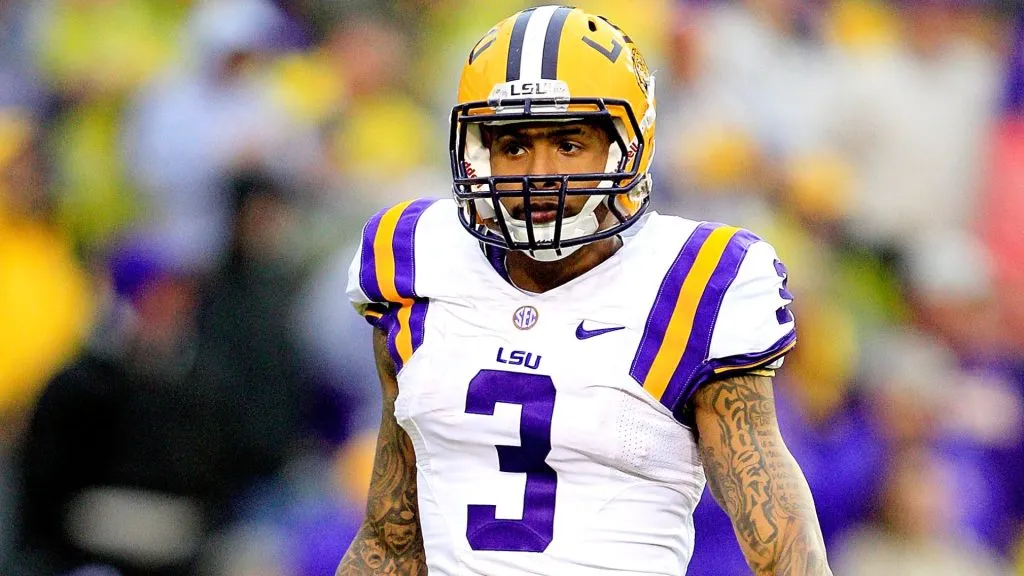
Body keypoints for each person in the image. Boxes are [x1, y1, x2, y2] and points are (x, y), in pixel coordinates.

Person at [336, 6, 831, 575]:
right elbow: (391, 539)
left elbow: (783, 550)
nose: (539, 172)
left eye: (569, 145)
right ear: (478, 153)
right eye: (515, 146)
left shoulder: (696, 282)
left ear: (626, 147)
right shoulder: (415, 258)